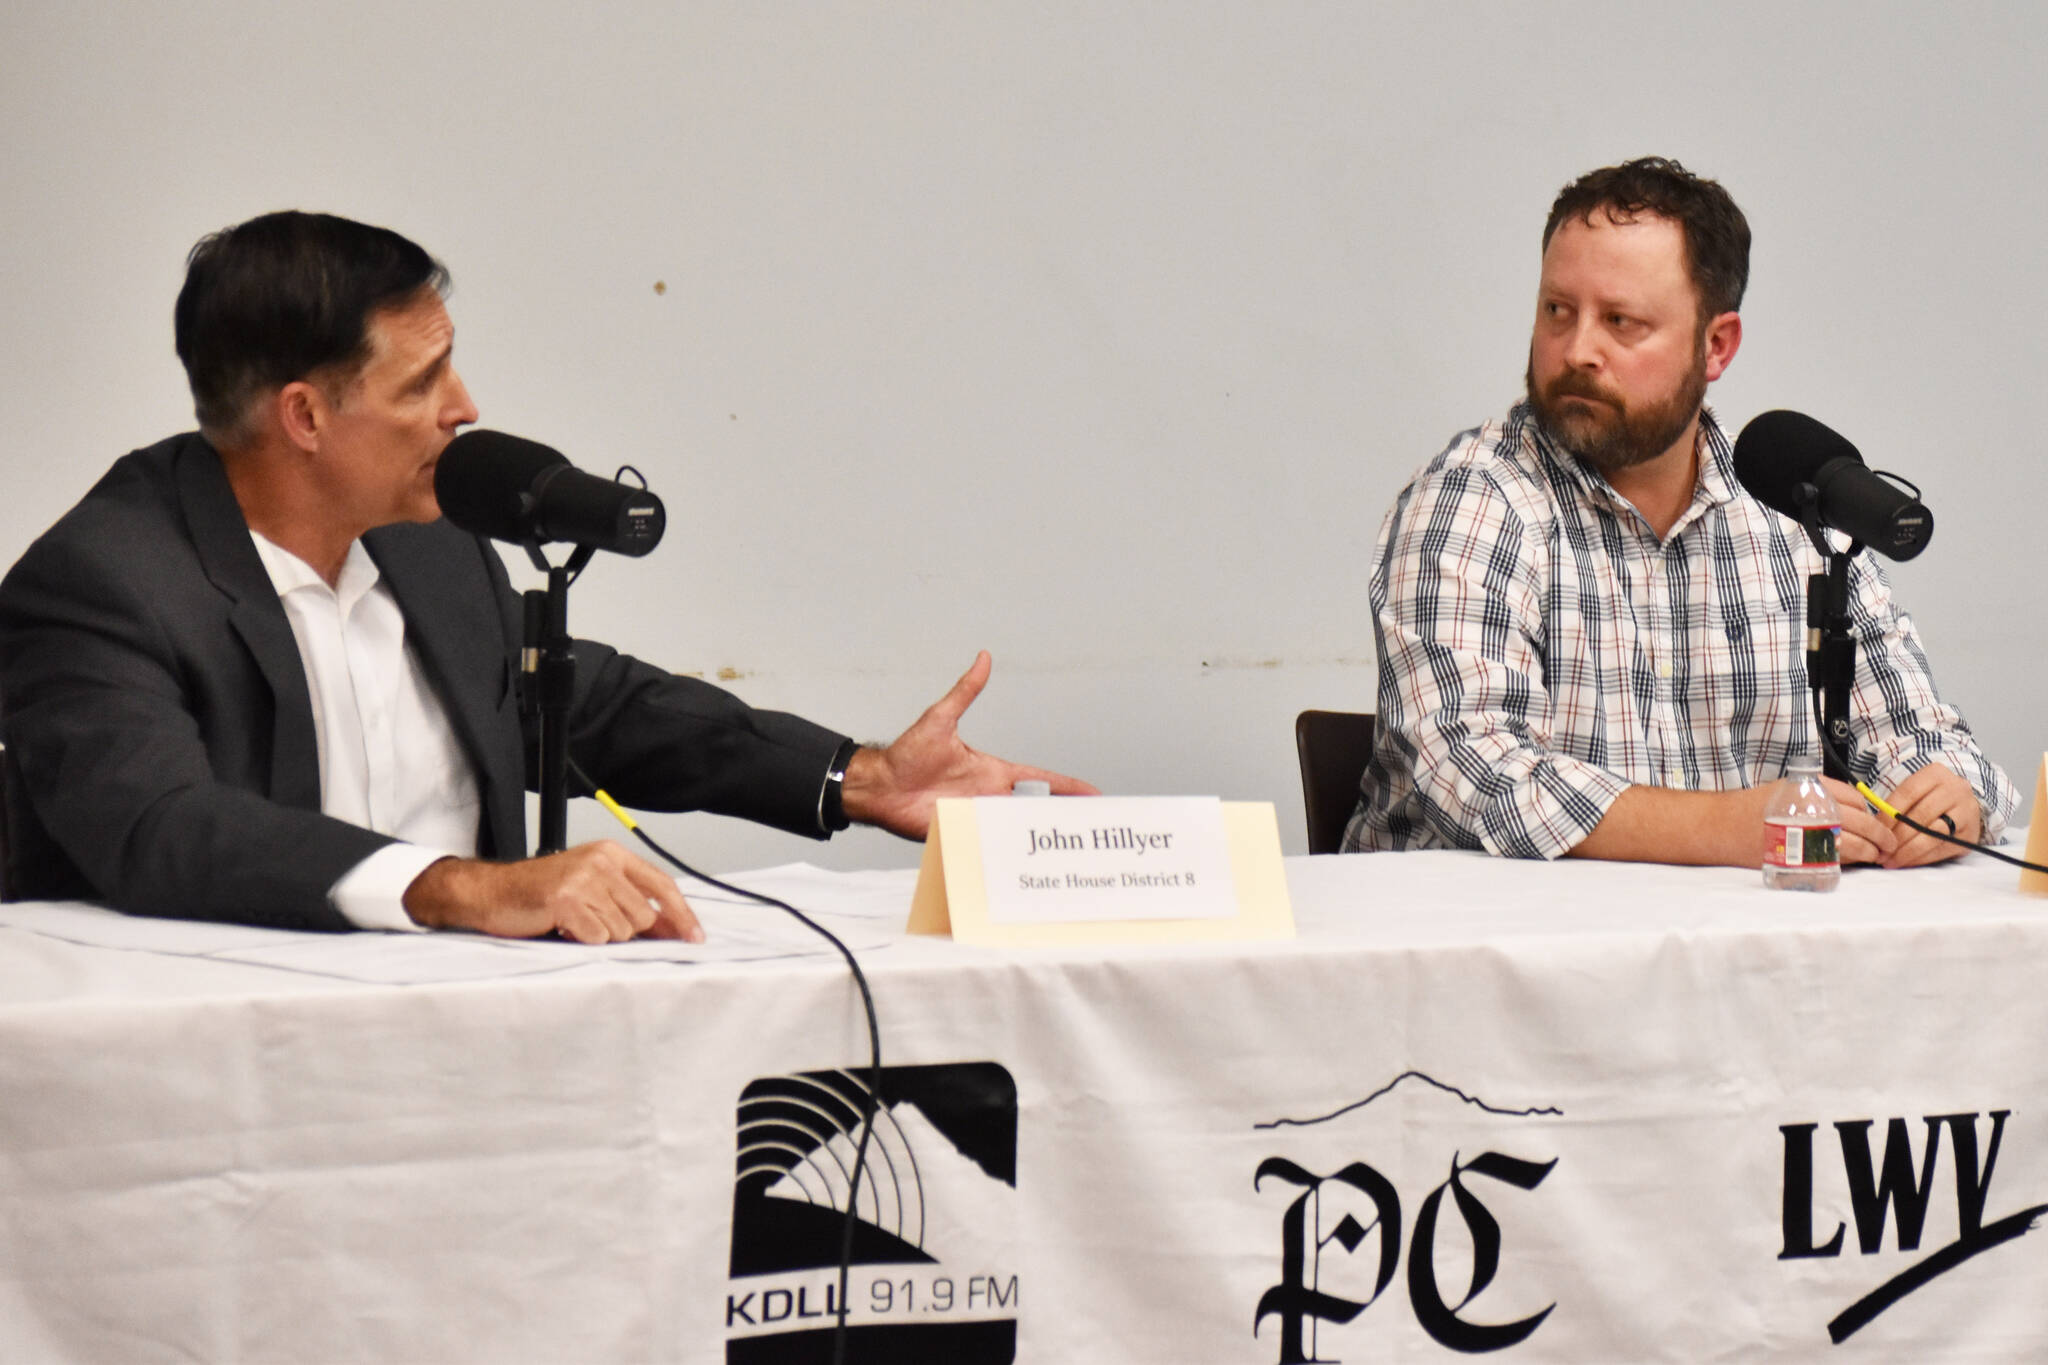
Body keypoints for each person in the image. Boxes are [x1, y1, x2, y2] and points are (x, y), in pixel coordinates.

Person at [0, 211, 1093, 942]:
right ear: (305, 415)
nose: (465, 406)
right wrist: (463, 885)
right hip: (227, 1073)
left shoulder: (425, 532)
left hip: (484, 1035)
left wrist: (851, 779)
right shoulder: (105, 584)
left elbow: (590, 701)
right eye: (424, 380)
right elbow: (159, 828)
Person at [1346, 157, 2015, 868]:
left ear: (1716, 344)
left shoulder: (1795, 516)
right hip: (1488, 954)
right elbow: (1478, 769)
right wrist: (1730, 827)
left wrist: (1951, 799)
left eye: (1620, 321)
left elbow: (1923, 739)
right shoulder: (1475, 498)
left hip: (1737, 954)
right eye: (1557, 311)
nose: (1577, 351)